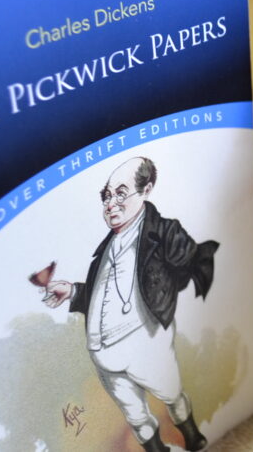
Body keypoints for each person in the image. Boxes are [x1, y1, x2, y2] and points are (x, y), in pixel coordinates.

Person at [45, 156, 218, 452]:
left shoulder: (163, 231)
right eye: (107, 196)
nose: (111, 203)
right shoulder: (105, 249)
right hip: (102, 354)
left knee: (171, 392)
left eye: (121, 193)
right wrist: (72, 291)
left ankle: (192, 437)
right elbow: (101, 293)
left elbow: (188, 260)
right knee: (134, 413)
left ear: (146, 189)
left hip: (144, 341)